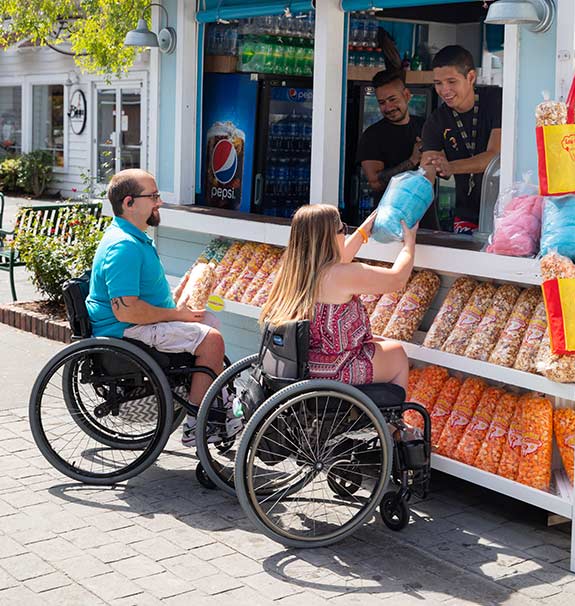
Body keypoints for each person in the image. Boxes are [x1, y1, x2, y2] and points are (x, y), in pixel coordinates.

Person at [85, 168, 225, 447]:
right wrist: (177, 314)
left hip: (135, 326)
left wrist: (177, 302)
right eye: (154, 196)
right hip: (126, 331)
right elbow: (126, 311)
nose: (159, 202)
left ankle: (212, 398)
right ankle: (197, 425)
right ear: (129, 203)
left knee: (208, 320)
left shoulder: (133, 238)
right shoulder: (123, 246)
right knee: (211, 340)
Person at [259, 202, 424, 392]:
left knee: (380, 343)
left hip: (300, 368)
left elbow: (338, 258)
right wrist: (409, 244)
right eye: (342, 229)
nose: (344, 234)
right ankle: (391, 419)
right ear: (329, 238)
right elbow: (397, 279)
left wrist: (363, 232)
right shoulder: (343, 274)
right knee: (397, 354)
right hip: (335, 370)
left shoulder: (293, 272)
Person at [421, 45, 502, 234]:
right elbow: (428, 169)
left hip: (506, 210)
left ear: (471, 77)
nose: (444, 90)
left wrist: (451, 167)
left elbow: (495, 157)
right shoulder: (436, 120)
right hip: (465, 213)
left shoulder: (496, 101)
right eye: (438, 83)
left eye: (451, 81)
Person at [356, 70, 424, 205]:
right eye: (382, 102)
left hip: (425, 212)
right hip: (390, 215)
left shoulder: (425, 126)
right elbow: (375, 182)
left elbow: (445, 173)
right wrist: (412, 161)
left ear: (406, 95)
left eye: (393, 99)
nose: (388, 108)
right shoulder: (372, 135)